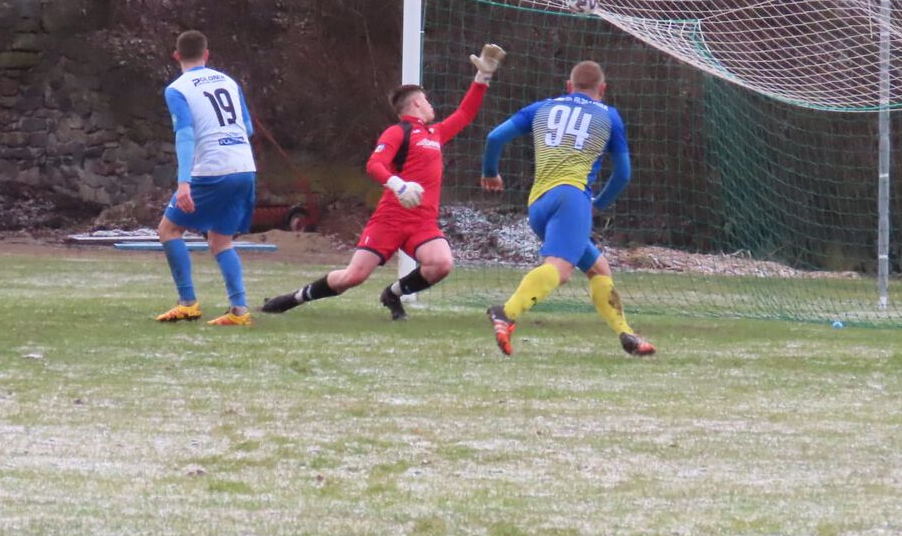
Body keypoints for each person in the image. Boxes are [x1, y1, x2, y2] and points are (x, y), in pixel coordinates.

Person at [262, 43, 506, 320]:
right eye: (426, 100)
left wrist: (482, 78)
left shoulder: (434, 133)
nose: (430, 105)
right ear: (416, 103)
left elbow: (465, 115)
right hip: (390, 219)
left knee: (441, 263)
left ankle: (392, 293)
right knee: (352, 277)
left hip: (422, 222)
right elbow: (374, 164)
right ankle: (292, 299)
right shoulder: (397, 132)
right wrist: (398, 185)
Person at [479, 59, 655, 357]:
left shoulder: (541, 108)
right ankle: (505, 312)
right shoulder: (609, 116)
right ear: (603, 89)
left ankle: (627, 334)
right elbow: (623, 174)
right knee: (559, 271)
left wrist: (490, 172)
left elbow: (494, 137)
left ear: (568, 87)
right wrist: (598, 204)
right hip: (572, 199)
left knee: (599, 267)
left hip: (538, 205)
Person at [153, 30, 259, 326]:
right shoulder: (229, 81)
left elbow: (185, 134)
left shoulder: (177, 89)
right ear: (207, 54)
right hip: (244, 167)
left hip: (212, 170)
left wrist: (183, 182)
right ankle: (239, 311)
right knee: (221, 240)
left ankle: (187, 302)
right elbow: (247, 128)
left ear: (176, 56)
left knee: (169, 230)